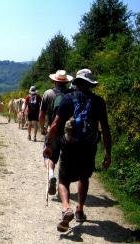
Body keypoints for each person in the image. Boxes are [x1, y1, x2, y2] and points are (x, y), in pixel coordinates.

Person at [43, 69, 112, 232]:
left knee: (63, 180)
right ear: (90, 85)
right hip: (89, 146)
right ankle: (80, 210)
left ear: (76, 83)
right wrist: (108, 154)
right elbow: (106, 130)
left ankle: (66, 207)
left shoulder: (68, 99)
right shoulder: (99, 102)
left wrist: (48, 144)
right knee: (84, 177)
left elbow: (55, 125)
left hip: (69, 145)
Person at [39, 70, 73, 195]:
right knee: (65, 158)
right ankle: (63, 186)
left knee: (49, 155)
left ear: (54, 81)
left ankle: (51, 175)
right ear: (66, 82)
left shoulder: (48, 93)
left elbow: (42, 114)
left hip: (52, 130)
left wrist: (42, 127)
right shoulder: (72, 94)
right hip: (68, 132)